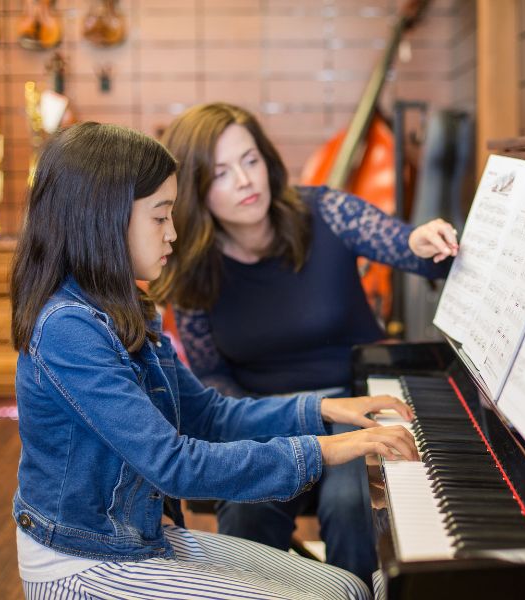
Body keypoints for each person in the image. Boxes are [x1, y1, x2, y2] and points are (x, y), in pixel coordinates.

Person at [11, 121, 420, 600]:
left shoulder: (128, 306)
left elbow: (207, 414)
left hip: (137, 535)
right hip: (83, 561)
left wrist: (326, 411)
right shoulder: (68, 328)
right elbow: (174, 464)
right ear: (104, 220)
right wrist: (329, 449)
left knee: (349, 588)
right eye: (160, 217)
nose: (174, 234)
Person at [151, 102, 459, 586]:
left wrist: (422, 241)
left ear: (267, 159)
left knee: (352, 502)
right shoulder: (192, 266)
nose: (245, 181)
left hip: (358, 404)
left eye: (250, 161)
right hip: (266, 418)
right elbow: (212, 376)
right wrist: (266, 428)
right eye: (221, 174)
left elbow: (408, 247)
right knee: (246, 512)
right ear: (194, 189)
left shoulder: (327, 211)